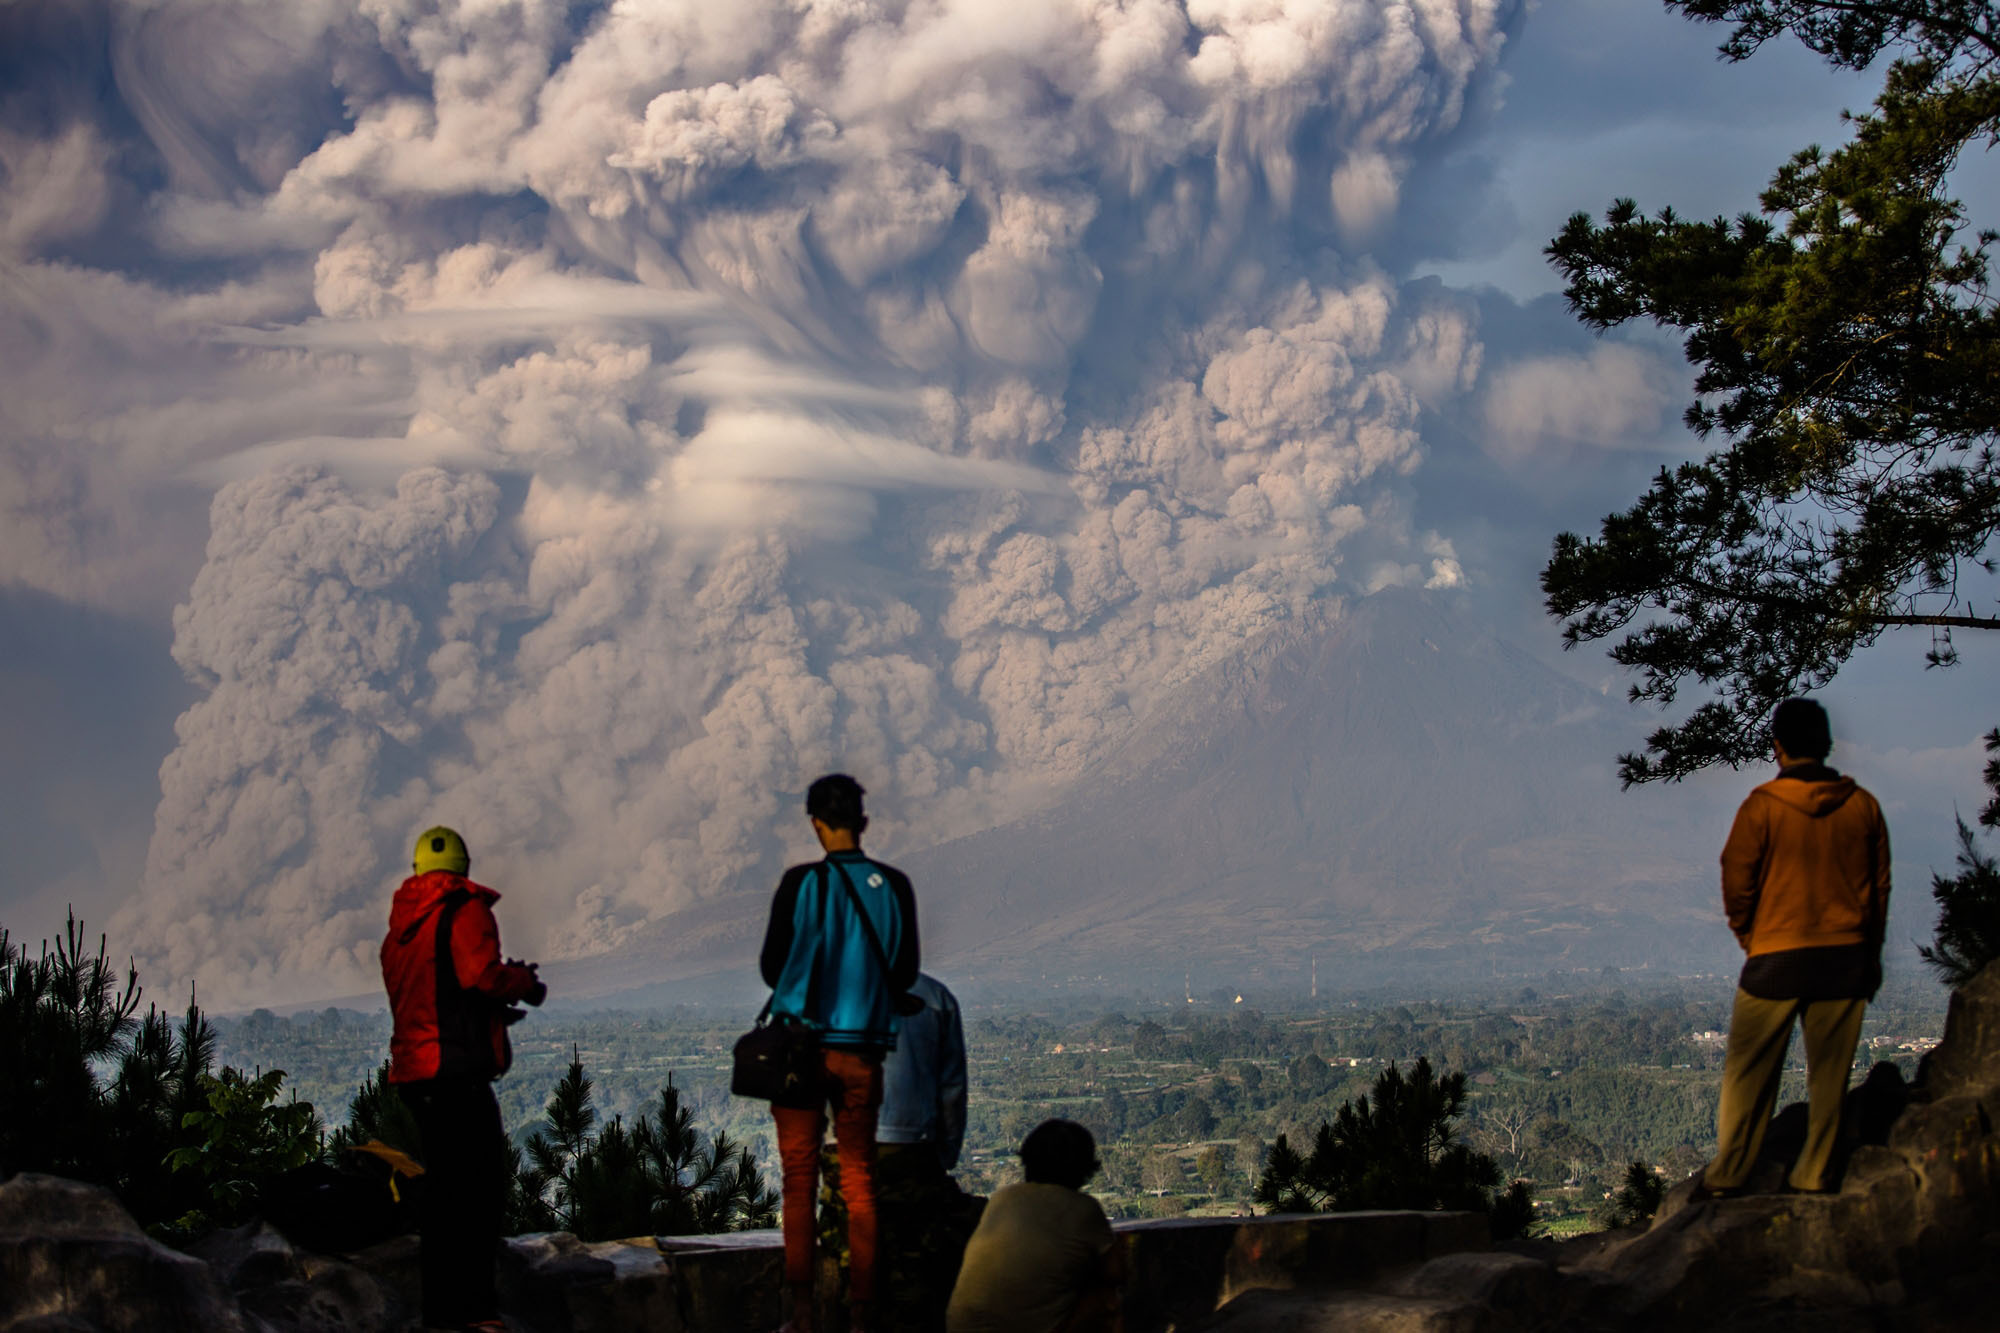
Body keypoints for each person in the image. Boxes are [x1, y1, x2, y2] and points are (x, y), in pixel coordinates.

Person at [1699, 698, 1892, 1199]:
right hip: (1844, 959)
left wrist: (1752, 939)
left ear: (1778, 747)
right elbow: (1878, 890)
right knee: (1828, 1081)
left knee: (1747, 1076)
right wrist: (1869, 954)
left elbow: (1736, 881)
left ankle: (1728, 1175)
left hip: (1775, 959)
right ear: (1827, 745)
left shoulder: (1761, 806)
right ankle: (1814, 1175)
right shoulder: (1863, 806)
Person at [761, 774, 919, 1333]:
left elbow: (770, 969)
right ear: (864, 823)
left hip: (800, 1054)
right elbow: (903, 972)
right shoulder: (893, 886)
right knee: (859, 1181)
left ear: (814, 825)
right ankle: (863, 1315)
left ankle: (801, 1313)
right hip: (862, 1055)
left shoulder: (800, 884)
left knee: (799, 1179)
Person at [380, 826, 545, 1333]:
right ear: (463, 868)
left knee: (446, 1194)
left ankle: (441, 1313)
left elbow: (441, 993)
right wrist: (522, 984)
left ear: (417, 872)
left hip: (417, 1073)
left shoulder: (402, 930)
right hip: (456, 1074)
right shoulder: (464, 908)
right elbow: (480, 976)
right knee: (478, 1194)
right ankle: (476, 1313)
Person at [818, 971, 977, 1331]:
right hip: (912, 1153)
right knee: (917, 1268)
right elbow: (951, 1090)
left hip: (843, 1150)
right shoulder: (936, 999)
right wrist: (943, 1157)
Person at [948, 1119, 1126, 1333]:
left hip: (960, 1327)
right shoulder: (1083, 1208)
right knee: (1105, 1297)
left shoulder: (1003, 1197)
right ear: (1084, 1169)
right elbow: (1117, 1271)